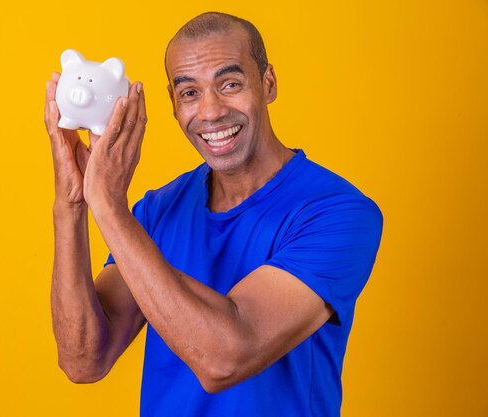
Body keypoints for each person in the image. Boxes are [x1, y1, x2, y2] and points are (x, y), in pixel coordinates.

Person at [43, 11, 383, 417]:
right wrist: (73, 204)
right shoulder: (156, 212)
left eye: (230, 84)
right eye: (189, 93)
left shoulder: (338, 213)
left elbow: (225, 359)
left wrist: (111, 209)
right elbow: (84, 361)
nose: (210, 112)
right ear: (172, 103)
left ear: (268, 83)